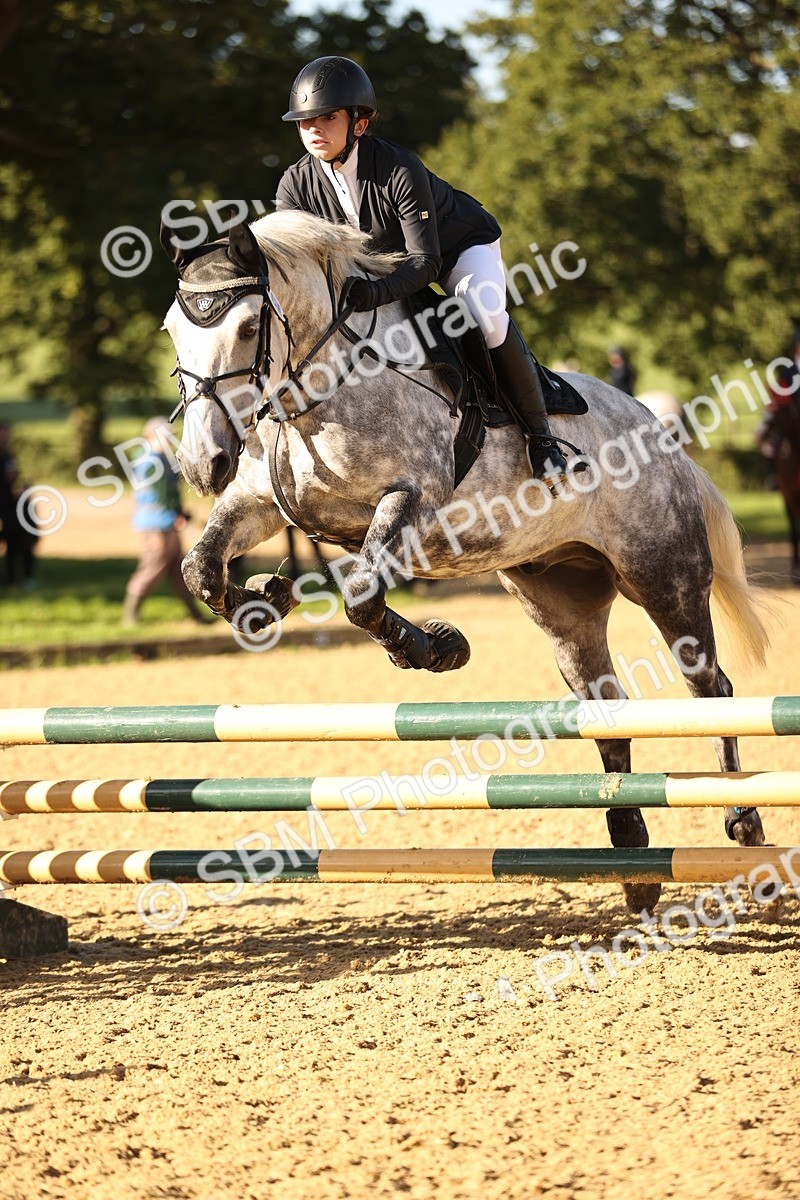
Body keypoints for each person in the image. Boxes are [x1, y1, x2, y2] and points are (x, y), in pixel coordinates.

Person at [275, 56, 579, 485]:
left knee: (483, 313)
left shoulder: (399, 168)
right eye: (305, 121)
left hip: (456, 248)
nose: (314, 129)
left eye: (327, 117)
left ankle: (541, 437)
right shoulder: (294, 185)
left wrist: (376, 294)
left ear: (359, 123)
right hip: (382, 267)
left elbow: (425, 261)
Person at [123, 417, 207, 626]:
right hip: (158, 523)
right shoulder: (154, 461)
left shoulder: (146, 458)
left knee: (178, 571)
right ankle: (129, 618)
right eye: (165, 436)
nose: (169, 440)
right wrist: (178, 516)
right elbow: (162, 494)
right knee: (152, 568)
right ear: (152, 436)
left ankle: (196, 617)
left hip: (160, 520)